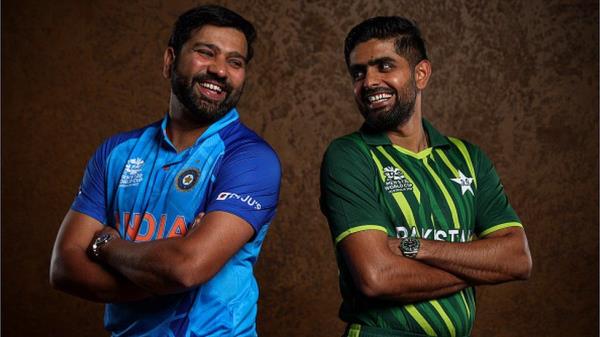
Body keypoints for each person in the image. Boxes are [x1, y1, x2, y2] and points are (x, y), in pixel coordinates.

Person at [50, 5, 281, 336]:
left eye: (235, 62)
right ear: (169, 60)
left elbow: (186, 268)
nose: (219, 70)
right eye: (206, 53)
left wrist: (107, 246)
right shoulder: (117, 152)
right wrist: (162, 276)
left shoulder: (251, 159)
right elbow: (64, 267)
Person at [320, 16, 532, 337]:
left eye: (385, 66)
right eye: (358, 72)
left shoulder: (468, 157)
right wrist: (481, 264)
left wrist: (416, 247)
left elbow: (517, 258)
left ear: (421, 74)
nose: (369, 82)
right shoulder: (349, 155)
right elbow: (377, 277)